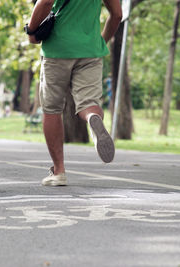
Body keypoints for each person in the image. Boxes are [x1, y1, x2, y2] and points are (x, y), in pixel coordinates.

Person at [26, 0, 122, 186]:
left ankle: (59, 171)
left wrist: (31, 31)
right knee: (89, 103)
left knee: (52, 109)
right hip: (90, 50)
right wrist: (100, 41)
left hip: (57, 49)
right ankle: (93, 117)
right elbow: (117, 15)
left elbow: (46, 2)